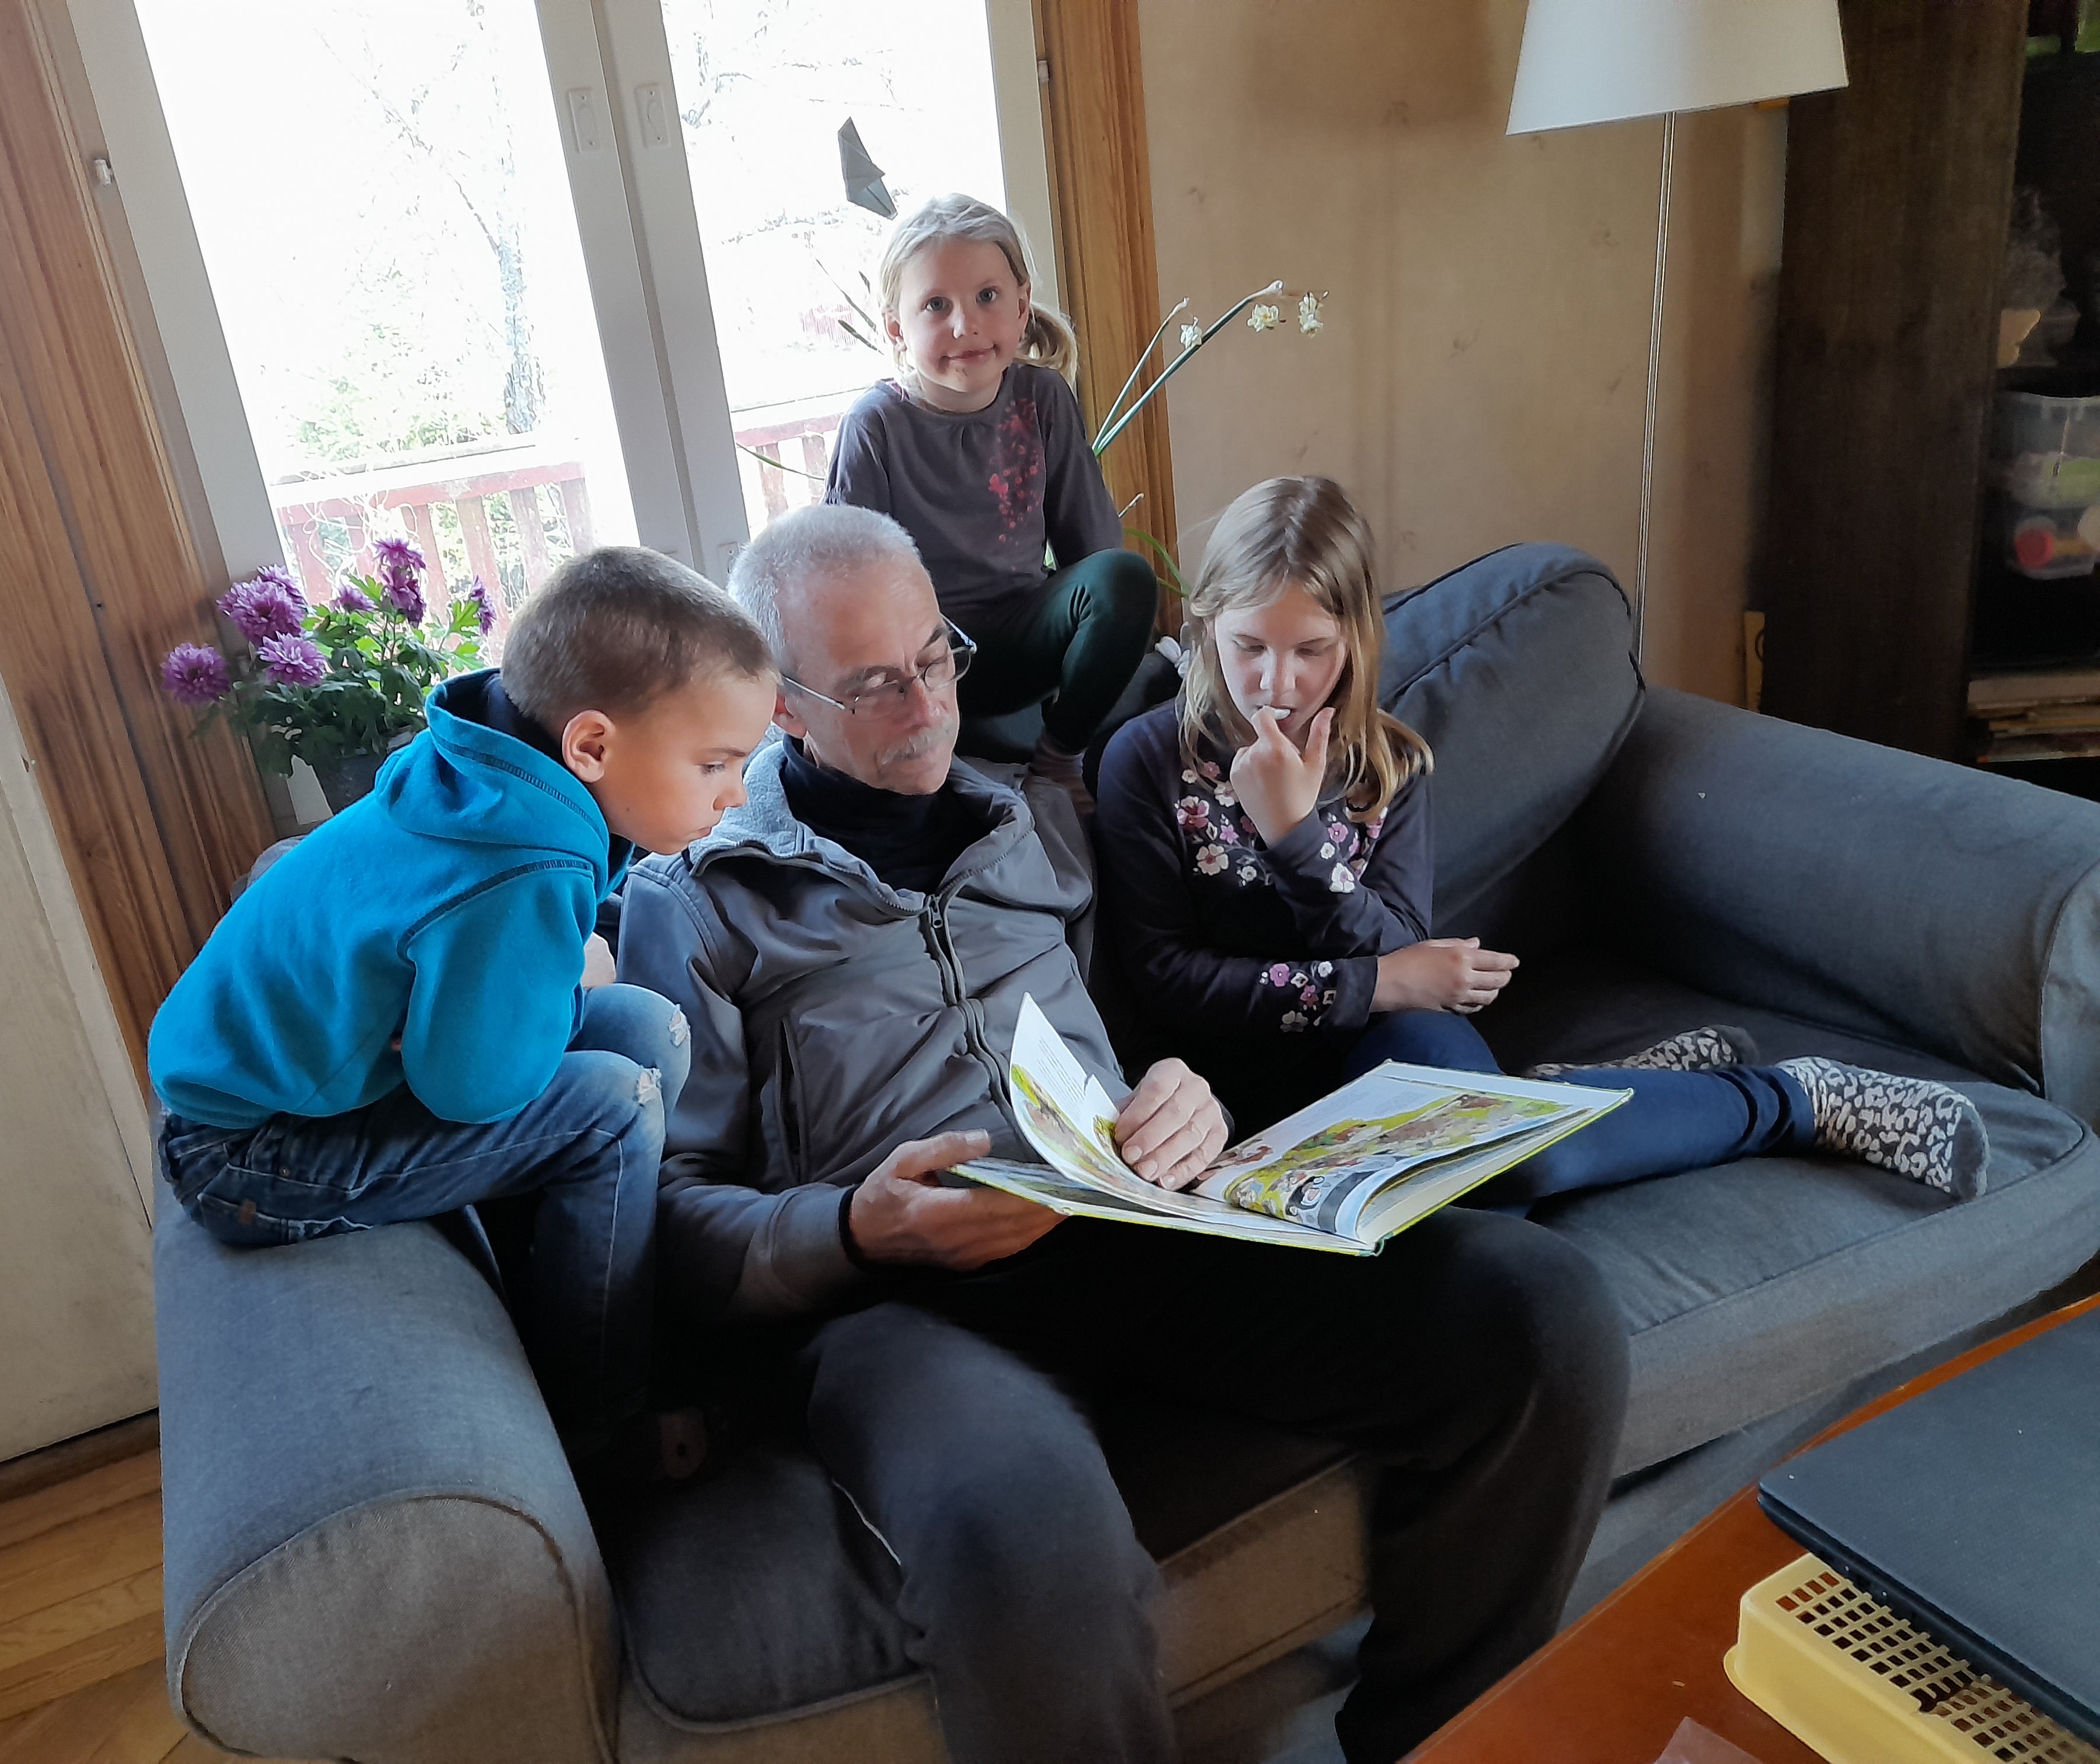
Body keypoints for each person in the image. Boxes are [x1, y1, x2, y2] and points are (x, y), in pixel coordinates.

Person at [617, 502, 1631, 1764]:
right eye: (873, 686)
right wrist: (857, 1226)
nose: (927, 708)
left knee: (1538, 1310)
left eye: (935, 659)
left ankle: (1439, 1742)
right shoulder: (697, 897)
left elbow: (1135, 1028)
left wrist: (1182, 1090)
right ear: (781, 708)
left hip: (1137, 1223)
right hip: (904, 1307)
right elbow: (672, 1213)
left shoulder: (1033, 823)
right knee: (1025, 1527)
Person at [1094, 475, 1991, 1209]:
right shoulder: (1145, 761)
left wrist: (1295, 836)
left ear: (1357, 642)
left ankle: (1795, 1100)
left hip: (1385, 1043)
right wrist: (1374, 983)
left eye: (1310, 651)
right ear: (1207, 624)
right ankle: (1578, 1090)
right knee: (1471, 1219)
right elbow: (1169, 980)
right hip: (1234, 1083)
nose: (1276, 683)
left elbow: (1400, 942)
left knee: (1515, 1169)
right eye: (1249, 645)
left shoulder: (1389, 766)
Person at [148, 547, 778, 1453]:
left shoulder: (490, 769)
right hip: (248, 1158)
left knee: (649, 1028)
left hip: (259, 1098)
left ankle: (574, 1274)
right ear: (591, 745)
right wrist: (573, 973)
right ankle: (604, 1425)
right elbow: (471, 1091)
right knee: (613, 1103)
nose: (737, 794)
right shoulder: (519, 864)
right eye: (717, 764)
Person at [825, 192, 1157, 818]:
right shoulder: (875, 425)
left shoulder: (1041, 399)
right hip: (920, 661)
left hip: (1020, 638)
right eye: (935, 306)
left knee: (1125, 577)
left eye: (986, 297)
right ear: (897, 329)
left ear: (1022, 305)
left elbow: (1095, 552)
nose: (965, 325)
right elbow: (847, 588)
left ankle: (1059, 758)